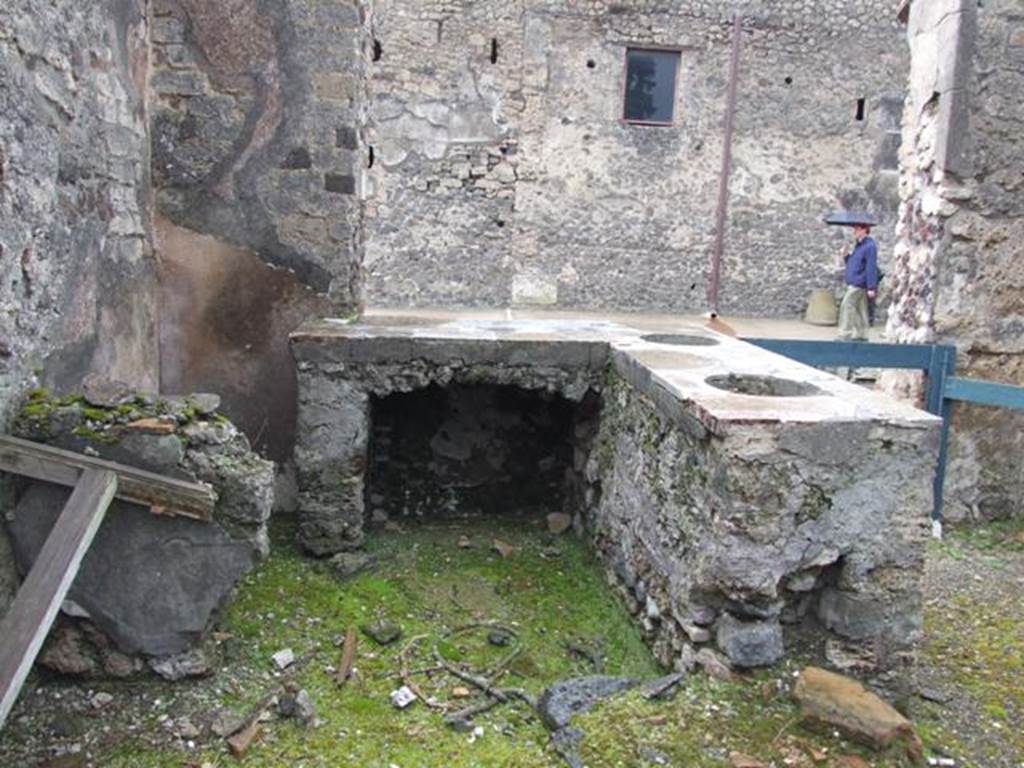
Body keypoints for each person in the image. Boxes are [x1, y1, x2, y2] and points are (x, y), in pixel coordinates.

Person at [837, 223, 878, 341]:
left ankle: (844, 333)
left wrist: (871, 287)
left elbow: (871, 267)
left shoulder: (870, 246)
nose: (854, 231)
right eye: (854, 229)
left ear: (865, 230)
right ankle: (862, 334)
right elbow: (854, 263)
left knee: (847, 305)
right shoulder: (859, 246)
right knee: (860, 309)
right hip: (856, 282)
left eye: (857, 229)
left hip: (859, 283)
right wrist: (845, 255)